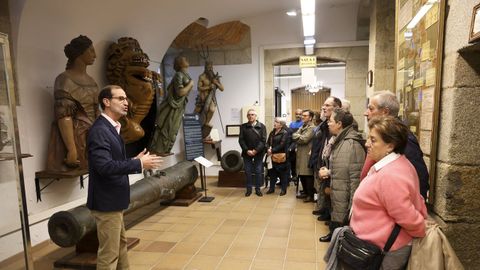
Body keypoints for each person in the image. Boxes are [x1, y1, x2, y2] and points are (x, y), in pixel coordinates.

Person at [87, 85, 163, 270]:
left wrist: (132, 160)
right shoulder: (100, 130)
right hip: (107, 202)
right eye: (120, 98)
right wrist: (138, 165)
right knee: (109, 254)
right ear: (106, 102)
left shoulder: (112, 127)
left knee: (120, 247)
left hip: (114, 200)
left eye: (125, 98)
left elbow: (113, 162)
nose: (126, 102)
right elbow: (104, 166)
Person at [348, 116, 427, 269]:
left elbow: (406, 215)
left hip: (386, 250)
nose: (367, 144)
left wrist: (421, 228)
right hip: (377, 246)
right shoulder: (392, 164)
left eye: (373, 140)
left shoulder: (391, 175)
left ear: (390, 146)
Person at [362, 90, 429, 200]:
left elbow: (418, 178)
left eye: (371, 108)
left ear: (385, 112)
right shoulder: (383, 132)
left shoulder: (402, 137)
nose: (366, 113)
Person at [47, 35, 99, 172]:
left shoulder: (92, 81)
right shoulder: (64, 79)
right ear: (80, 53)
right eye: (91, 51)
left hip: (93, 136)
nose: (95, 55)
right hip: (77, 137)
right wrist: (71, 149)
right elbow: (64, 116)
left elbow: (97, 113)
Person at [318, 108, 365, 242]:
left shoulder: (352, 144)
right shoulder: (340, 140)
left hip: (344, 197)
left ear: (339, 124)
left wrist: (353, 208)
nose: (328, 123)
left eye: (331, 121)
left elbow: (355, 179)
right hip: (338, 192)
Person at [149, 56, 194, 155]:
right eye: (184, 59)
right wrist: (190, 84)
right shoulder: (179, 75)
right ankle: (159, 149)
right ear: (179, 63)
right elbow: (180, 92)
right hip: (172, 106)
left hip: (179, 106)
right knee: (168, 127)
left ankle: (165, 148)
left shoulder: (185, 75)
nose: (187, 60)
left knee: (173, 129)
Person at [311, 97, 342, 219]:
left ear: (336, 108)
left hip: (332, 165)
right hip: (324, 161)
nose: (323, 108)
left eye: (327, 105)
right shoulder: (325, 124)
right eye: (323, 105)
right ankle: (325, 211)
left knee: (331, 191)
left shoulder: (338, 125)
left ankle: (330, 218)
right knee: (324, 189)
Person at [239, 108, 267, 197]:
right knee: (247, 171)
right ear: (247, 116)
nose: (250, 116)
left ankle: (258, 189)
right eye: (249, 115)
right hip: (247, 152)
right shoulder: (243, 126)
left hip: (258, 152)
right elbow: (241, 140)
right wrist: (247, 150)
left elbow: (263, 140)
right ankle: (249, 189)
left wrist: (255, 150)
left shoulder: (262, 126)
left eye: (252, 114)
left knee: (258, 171)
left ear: (256, 116)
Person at [194, 60, 224, 139]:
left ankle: (206, 123)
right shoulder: (202, 76)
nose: (210, 68)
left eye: (211, 67)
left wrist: (216, 82)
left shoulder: (215, 77)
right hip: (202, 98)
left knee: (212, 109)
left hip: (211, 98)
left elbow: (222, 88)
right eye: (208, 67)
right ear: (205, 67)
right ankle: (196, 127)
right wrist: (209, 87)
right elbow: (199, 88)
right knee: (196, 112)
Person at [292, 109, 316, 202]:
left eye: (305, 116)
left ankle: (310, 195)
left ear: (310, 118)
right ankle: (305, 192)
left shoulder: (312, 128)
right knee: (301, 174)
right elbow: (294, 135)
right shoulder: (303, 126)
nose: (303, 117)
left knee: (307, 175)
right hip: (300, 154)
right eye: (302, 115)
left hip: (306, 154)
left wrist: (297, 136)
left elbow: (304, 139)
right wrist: (298, 136)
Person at [266, 117, 289, 195]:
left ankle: (283, 190)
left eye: (277, 122)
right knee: (272, 173)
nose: (274, 123)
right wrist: (268, 148)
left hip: (281, 156)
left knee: (283, 174)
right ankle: (271, 189)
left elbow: (282, 145)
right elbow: (268, 142)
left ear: (281, 125)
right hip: (271, 156)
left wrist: (272, 150)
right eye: (275, 121)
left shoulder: (284, 133)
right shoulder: (272, 132)